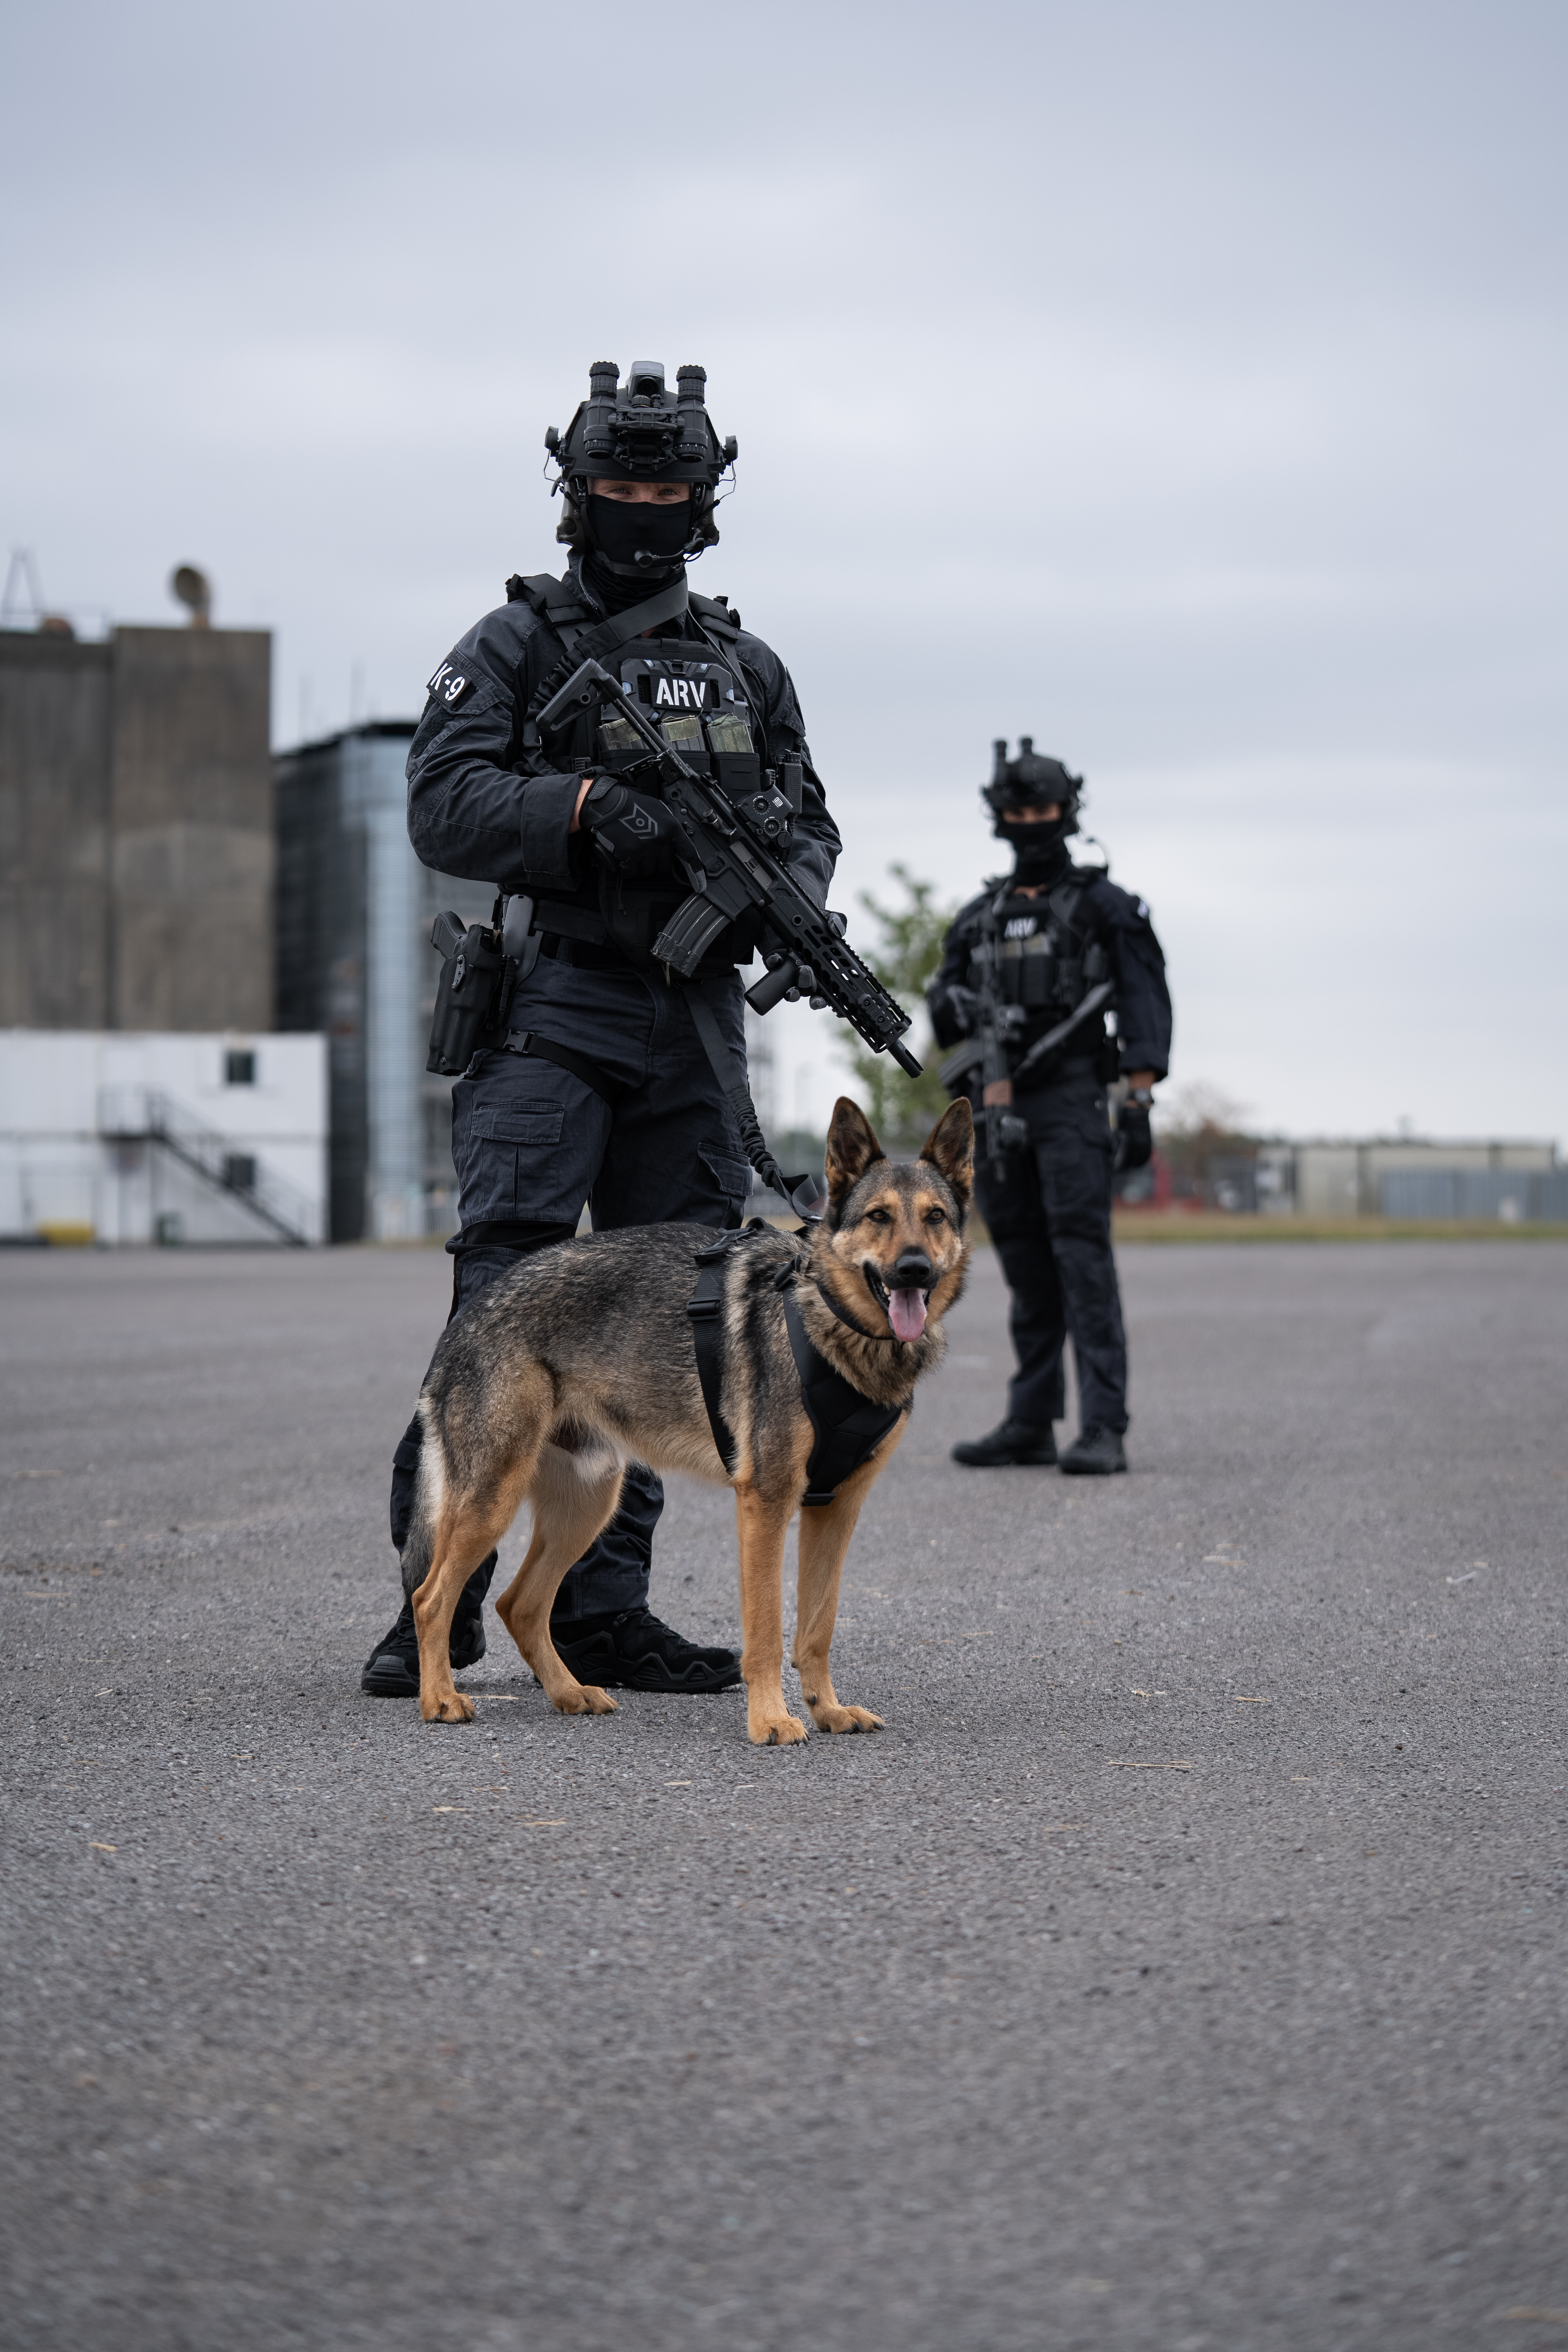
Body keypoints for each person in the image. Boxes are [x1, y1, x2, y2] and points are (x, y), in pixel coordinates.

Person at [361, 360, 841, 1696]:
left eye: (666, 489)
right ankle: (434, 1610)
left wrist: (787, 900)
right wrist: (578, 809)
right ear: (577, 493)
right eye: (621, 486)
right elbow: (443, 801)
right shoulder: (515, 645)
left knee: (679, 1325)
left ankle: (603, 1612)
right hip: (556, 1006)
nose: (644, 508)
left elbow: (811, 821)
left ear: (705, 504)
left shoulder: (746, 666)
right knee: (502, 1301)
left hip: (692, 1020)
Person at [926, 739, 1171, 1475]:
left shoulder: (1105, 907)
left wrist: (1138, 1099)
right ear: (998, 817)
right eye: (1018, 812)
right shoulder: (979, 916)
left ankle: (1104, 1427)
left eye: (1044, 811)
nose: (1031, 824)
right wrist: (957, 1003)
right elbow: (943, 1013)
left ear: (1068, 811)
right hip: (996, 1108)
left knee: (1083, 1266)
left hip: (1069, 1100)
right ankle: (1031, 1421)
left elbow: (1143, 1000)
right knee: (1028, 1273)